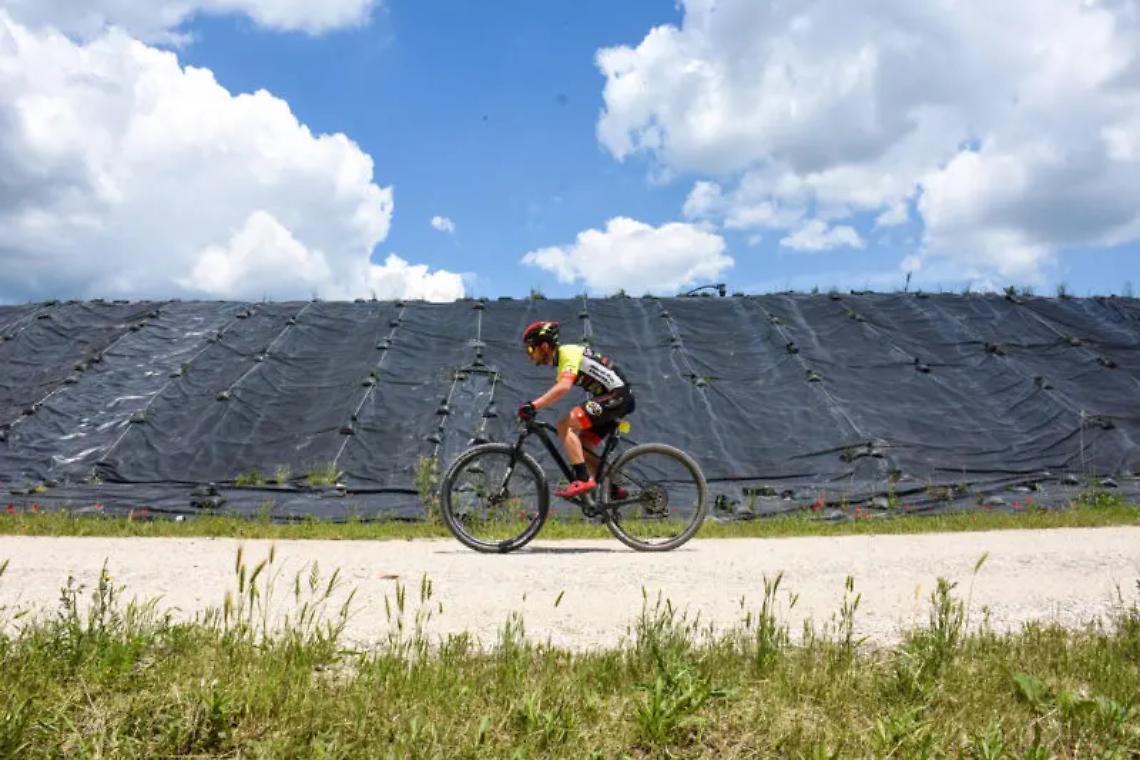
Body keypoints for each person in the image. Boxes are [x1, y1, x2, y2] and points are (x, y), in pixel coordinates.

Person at [518, 320, 635, 498]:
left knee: (565, 426)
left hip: (617, 396)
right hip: (613, 398)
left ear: (544, 346)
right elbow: (558, 390)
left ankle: (582, 479)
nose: (529, 355)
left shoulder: (568, 352)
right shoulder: (562, 360)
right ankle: (613, 490)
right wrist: (536, 406)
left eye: (530, 349)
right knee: (582, 447)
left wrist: (533, 405)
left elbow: (563, 388)